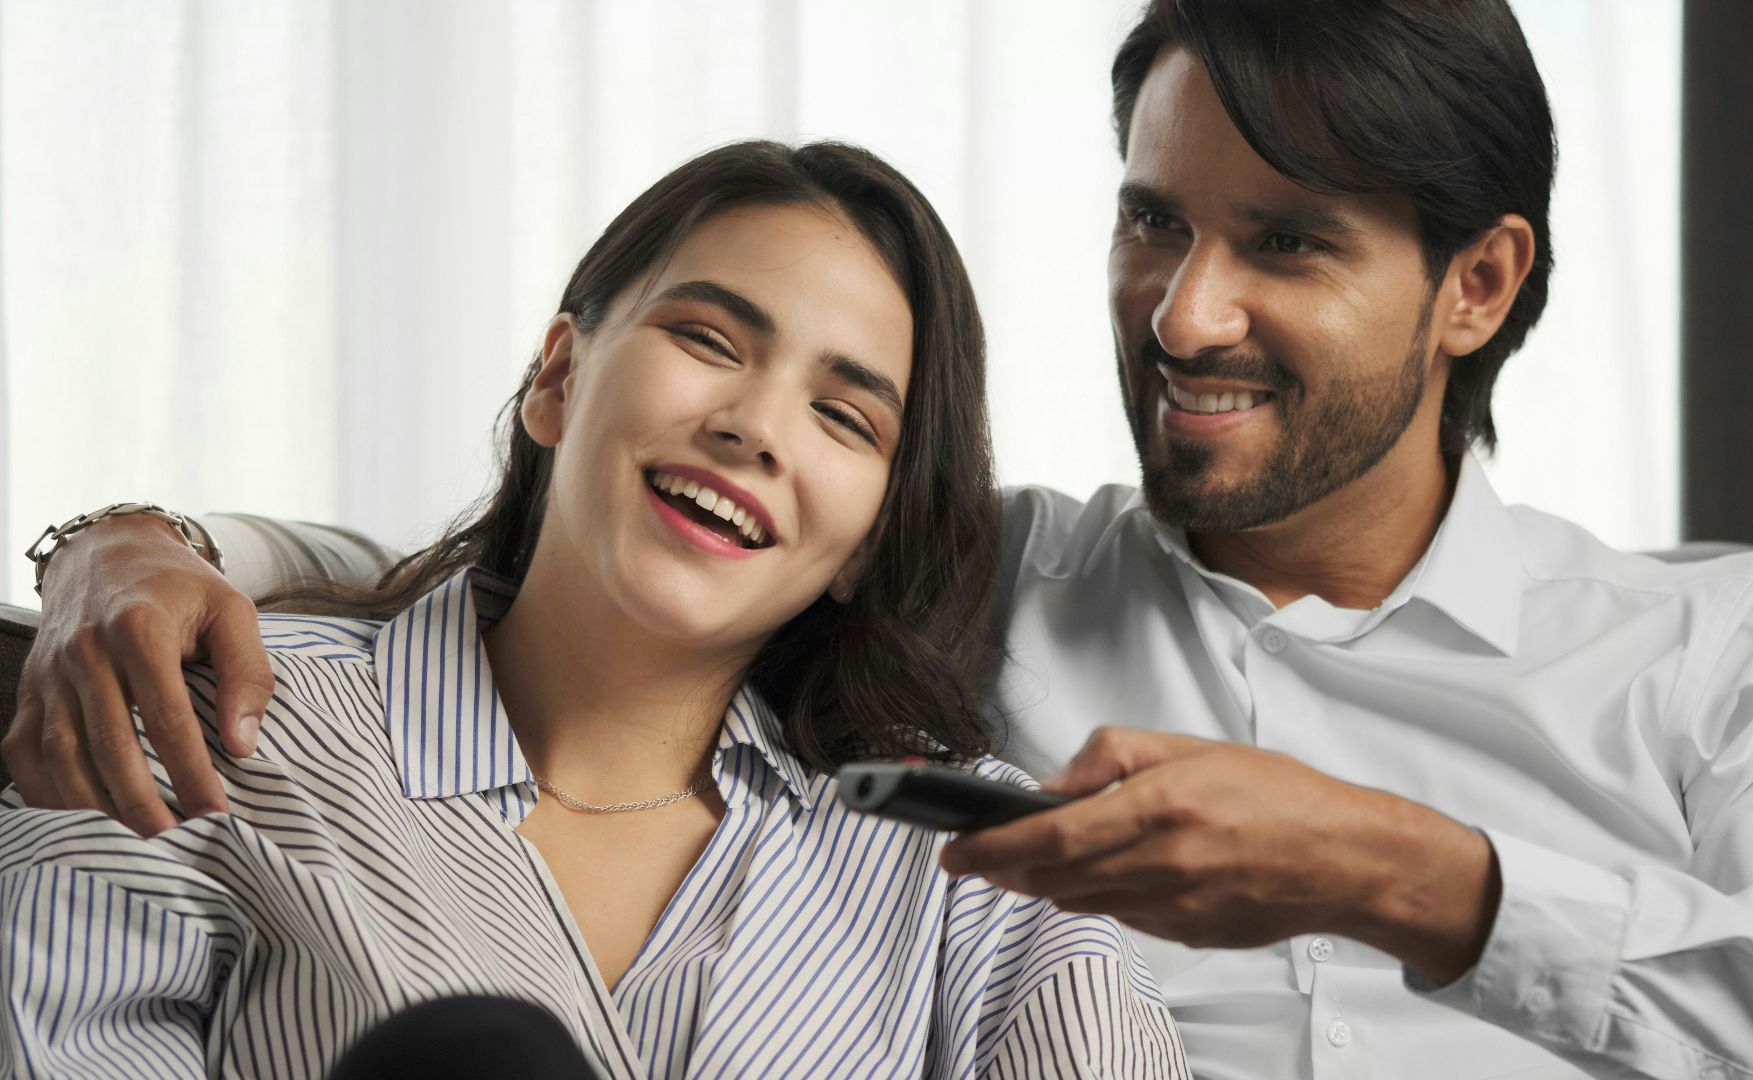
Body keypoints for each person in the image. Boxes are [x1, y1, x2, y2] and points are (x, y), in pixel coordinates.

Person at [12, 0, 1753, 1077]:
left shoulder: (1727, 656)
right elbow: (580, 558)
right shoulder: (967, 599)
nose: (1180, 317)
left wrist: (1418, 878)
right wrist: (128, 547)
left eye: (1286, 244)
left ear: (1476, 287)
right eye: (1155, 223)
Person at [0, 139, 1189, 1078]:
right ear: (559, 377)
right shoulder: (206, 730)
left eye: (845, 417)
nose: (755, 426)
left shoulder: (974, 865)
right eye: (709, 339)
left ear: (864, 546)